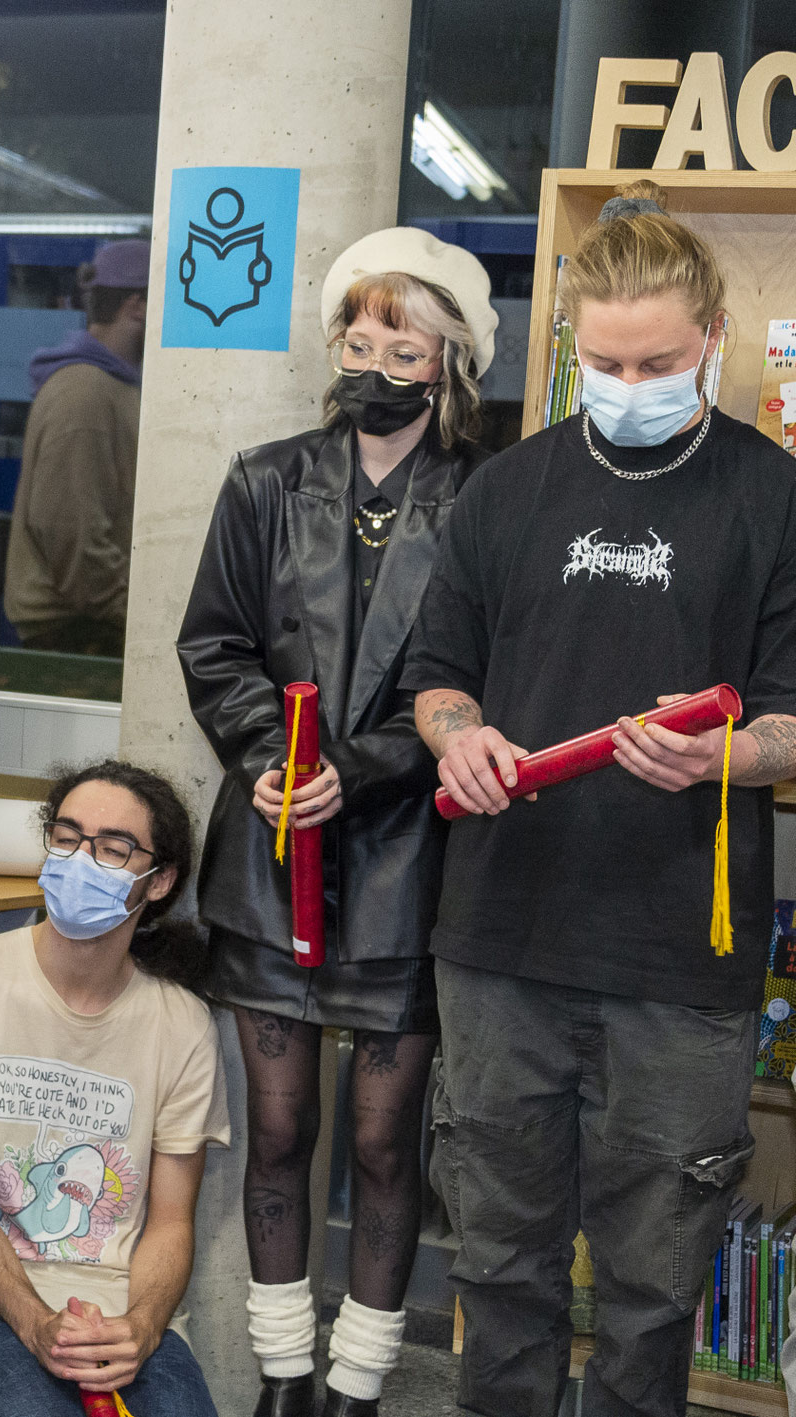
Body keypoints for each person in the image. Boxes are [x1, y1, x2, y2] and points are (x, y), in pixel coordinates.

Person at [404, 179, 796, 1417]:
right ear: (570, 342)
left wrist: (721, 757)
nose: (629, 381)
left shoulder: (771, 496)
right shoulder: (506, 489)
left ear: (711, 344)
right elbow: (434, 675)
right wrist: (455, 738)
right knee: (499, 1270)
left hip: (680, 964)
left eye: (659, 360)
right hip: (498, 946)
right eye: (605, 358)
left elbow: (789, 718)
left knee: (648, 1287)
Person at [177, 228, 496, 1417]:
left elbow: (474, 679)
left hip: (408, 863)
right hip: (268, 858)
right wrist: (270, 757)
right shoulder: (264, 478)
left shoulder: (480, 497)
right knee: (273, 1133)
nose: (369, 362)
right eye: (354, 339)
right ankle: (279, 1378)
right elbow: (209, 642)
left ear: (446, 359)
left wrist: (348, 771)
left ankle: (358, 1387)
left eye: (398, 344)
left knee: (378, 1144)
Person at [0, 759, 229, 1417]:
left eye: (113, 848)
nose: (82, 859)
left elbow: (170, 1223)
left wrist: (141, 1327)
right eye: (67, 836)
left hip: (122, 1313)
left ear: (160, 879)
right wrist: (34, 1321)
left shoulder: (182, 1023)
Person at [4, 239, 150, 658]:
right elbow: (72, 533)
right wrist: (146, 618)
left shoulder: (115, 387)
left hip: (95, 626)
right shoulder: (84, 393)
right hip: (78, 635)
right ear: (137, 305)